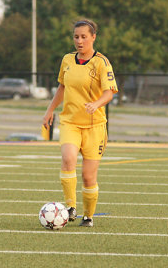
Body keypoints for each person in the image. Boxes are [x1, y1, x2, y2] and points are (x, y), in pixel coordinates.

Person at [43, 19, 118, 227]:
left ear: (93, 37)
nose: (79, 41)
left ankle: (88, 216)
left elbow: (109, 92)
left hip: (95, 126)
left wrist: (96, 104)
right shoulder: (67, 60)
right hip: (70, 122)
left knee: (88, 176)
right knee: (68, 158)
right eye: (76, 37)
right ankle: (70, 208)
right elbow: (62, 88)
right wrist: (50, 110)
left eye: (84, 37)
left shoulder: (101, 62)